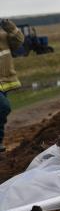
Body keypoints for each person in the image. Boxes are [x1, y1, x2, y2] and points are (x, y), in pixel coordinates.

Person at [0, 20, 24, 152]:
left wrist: (11, 28)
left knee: (1, 112)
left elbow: (19, 40)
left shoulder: (3, 37)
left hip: (3, 83)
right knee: (3, 107)